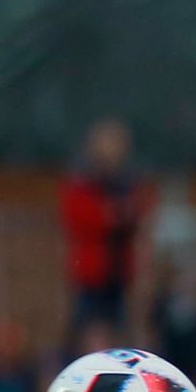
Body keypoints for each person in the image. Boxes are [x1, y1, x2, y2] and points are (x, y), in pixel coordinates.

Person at [59, 119, 152, 337]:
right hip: (92, 271)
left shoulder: (128, 179)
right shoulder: (82, 178)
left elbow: (140, 208)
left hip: (121, 270)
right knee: (89, 325)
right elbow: (81, 215)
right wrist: (112, 215)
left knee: (121, 327)